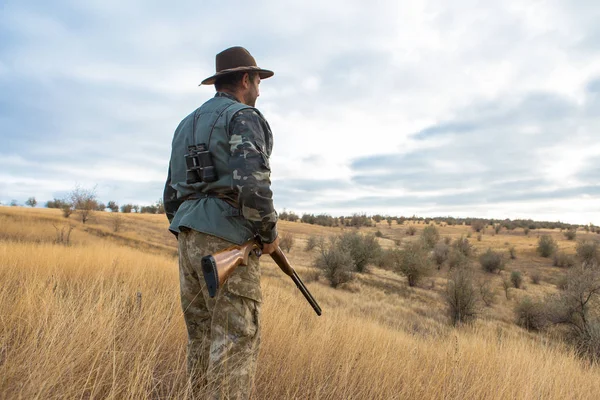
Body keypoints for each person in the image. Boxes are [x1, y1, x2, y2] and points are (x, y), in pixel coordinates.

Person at [163, 46, 279, 399]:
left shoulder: (186, 124)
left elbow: (171, 193)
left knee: (200, 338)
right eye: (258, 80)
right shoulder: (244, 116)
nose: (260, 89)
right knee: (233, 345)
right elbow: (253, 186)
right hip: (228, 243)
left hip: (188, 241)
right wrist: (268, 234)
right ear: (245, 79)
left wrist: (190, 232)